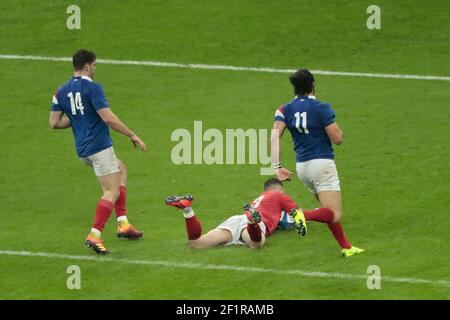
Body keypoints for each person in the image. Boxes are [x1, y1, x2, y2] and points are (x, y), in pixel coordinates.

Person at [49, 49, 147, 254]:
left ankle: (123, 223)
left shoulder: (60, 91)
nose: (95, 69)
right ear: (86, 66)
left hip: (84, 150)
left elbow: (54, 123)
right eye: (94, 65)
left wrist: (78, 118)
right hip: (99, 148)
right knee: (111, 191)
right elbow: (108, 118)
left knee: (121, 169)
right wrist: (132, 135)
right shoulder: (93, 88)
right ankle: (95, 234)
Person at [270, 69, 364, 257]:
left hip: (303, 168)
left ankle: (346, 247)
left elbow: (274, 136)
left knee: (327, 210)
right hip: (322, 165)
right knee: (334, 213)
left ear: (295, 88)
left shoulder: (284, 109)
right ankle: (300, 215)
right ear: (313, 85)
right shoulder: (322, 107)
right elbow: (337, 139)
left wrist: (277, 167)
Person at [165, 178, 348, 251]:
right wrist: (307, 223)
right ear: (279, 189)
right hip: (255, 223)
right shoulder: (279, 196)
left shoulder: (260, 198)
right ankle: (253, 223)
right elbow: (298, 214)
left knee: (195, 244)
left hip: (236, 220)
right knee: (256, 244)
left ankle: (188, 210)